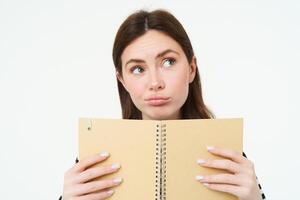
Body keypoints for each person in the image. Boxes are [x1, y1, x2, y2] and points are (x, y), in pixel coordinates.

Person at [60, 9, 265, 200]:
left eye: (168, 62)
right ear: (122, 80)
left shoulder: (227, 154)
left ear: (191, 69)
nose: (155, 83)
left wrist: (256, 198)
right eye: (138, 69)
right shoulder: (95, 158)